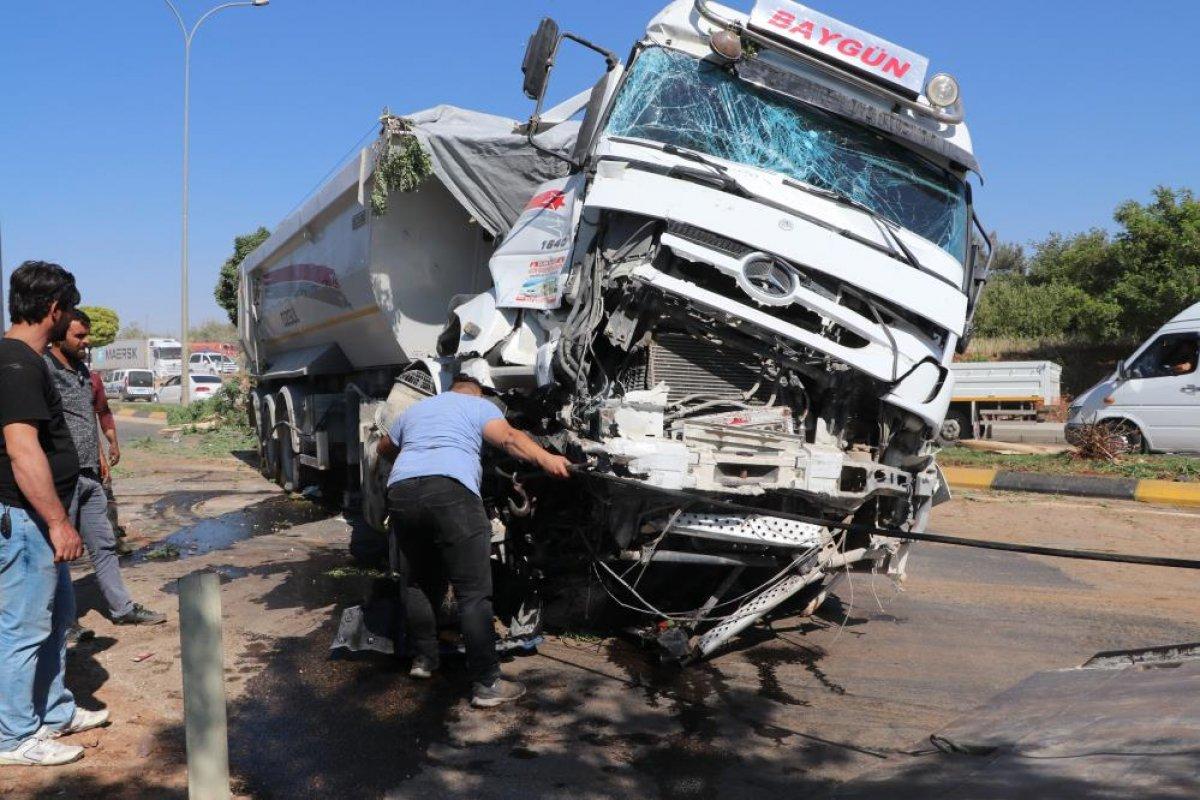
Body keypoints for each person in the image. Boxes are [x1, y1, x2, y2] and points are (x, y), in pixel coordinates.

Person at [379, 374, 571, 708]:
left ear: (448, 389)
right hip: (451, 491)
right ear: (476, 392)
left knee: (417, 582)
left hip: (402, 491)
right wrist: (547, 459)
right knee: (473, 593)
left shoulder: (417, 409)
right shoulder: (477, 405)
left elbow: (384, 448)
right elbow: (509, 438)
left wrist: (416, 462)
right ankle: (486, 684)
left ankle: (424, 660)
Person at [0, 262, 107, 767]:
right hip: (27, 521)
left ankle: (52, 712)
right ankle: (12, 736)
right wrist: (58, 521)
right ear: (53, 309)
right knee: (23, 628)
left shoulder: (26, 359)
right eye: (67, 311)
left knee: (58, 615)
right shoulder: (17, 364)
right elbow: (24, 452)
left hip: (38, 520)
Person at [47, 310, 164, 628]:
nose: (87, 342)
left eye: (87, 335)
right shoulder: (45, 370)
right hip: (62, 478)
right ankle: (63, 623)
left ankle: (122, 608)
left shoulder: (84, 370)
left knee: (104, 544)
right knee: (59, 554)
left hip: (90, 477)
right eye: (79, 336)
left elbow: (88, 416)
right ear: (59, 336)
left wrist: (100, 450)